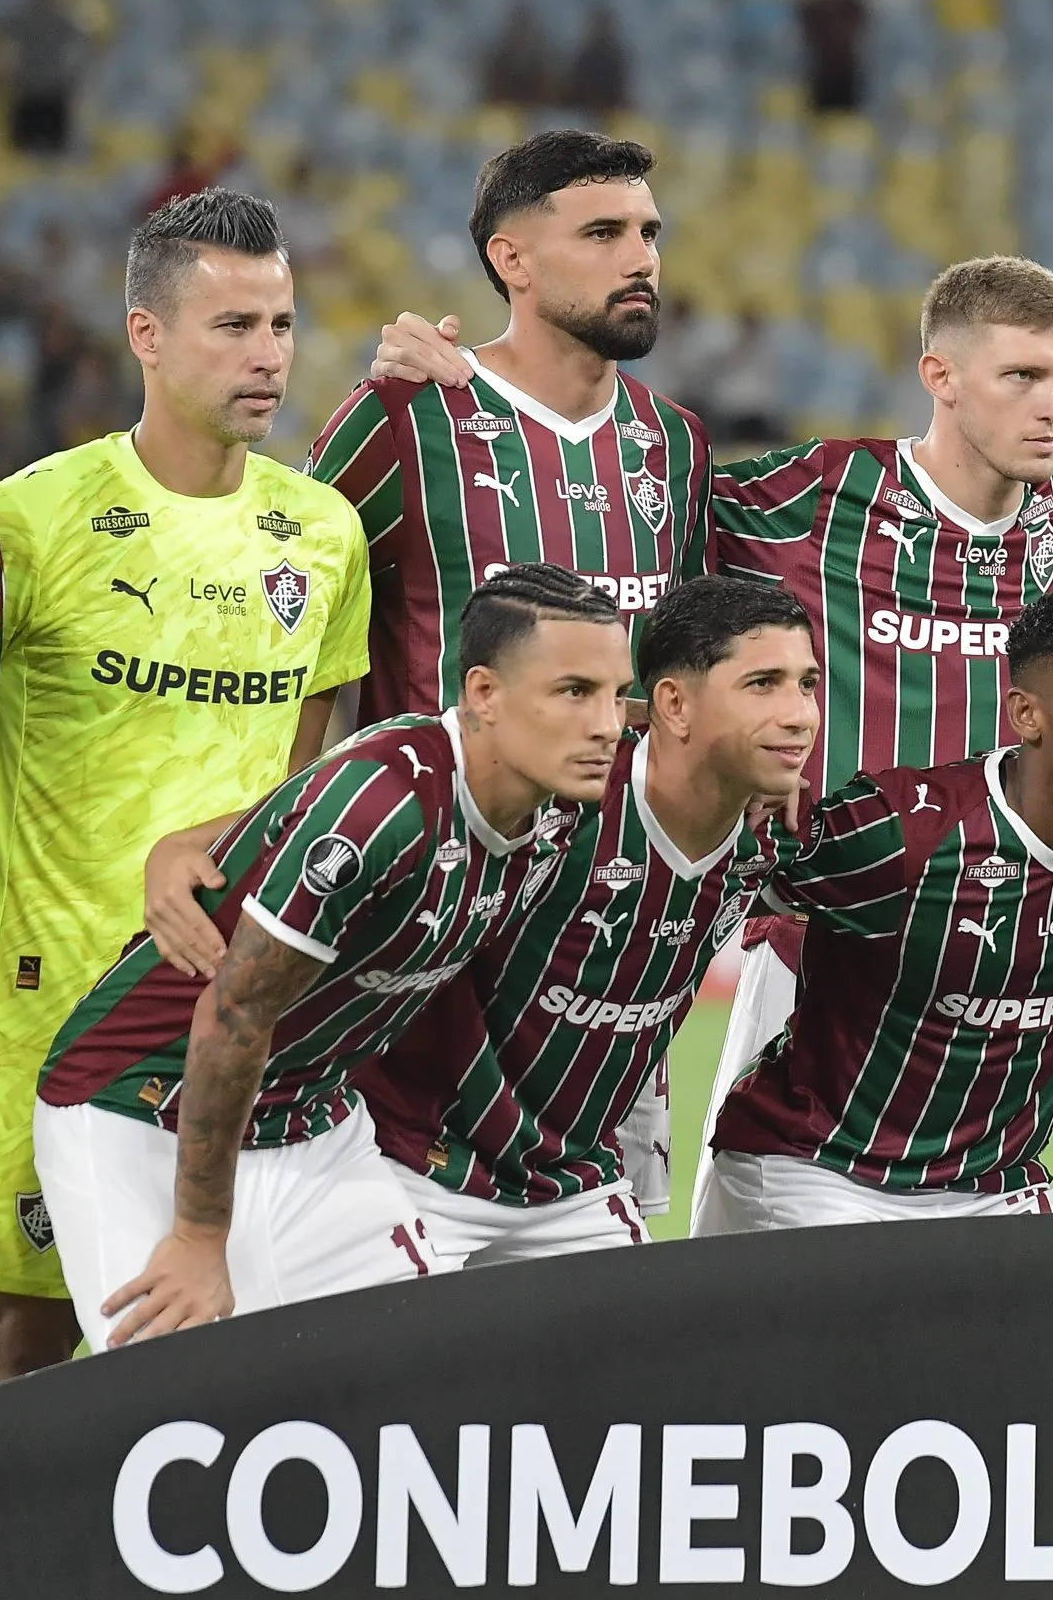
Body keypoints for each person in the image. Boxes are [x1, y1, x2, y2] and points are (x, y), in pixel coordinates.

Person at [368, 255, 1053, 1218]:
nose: (1052, 406)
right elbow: (628, 530)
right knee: (742, 1244)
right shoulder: (811, 499)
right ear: (940, 375)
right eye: (1021, 377)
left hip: (1005, 944)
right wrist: (448, 379)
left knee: (976, 1215)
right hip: (826, 935)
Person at [0, 189, 372, 1393]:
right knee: (26, 1338)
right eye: (233, 326)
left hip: (220, 1006)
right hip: (45, 1004)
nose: (268, 355)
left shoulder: (323, 534)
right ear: (146, 334)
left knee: (217, 1337)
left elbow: (297, 787)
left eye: (281, 325)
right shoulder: (26, 522)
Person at [32, 567, 622, 1345]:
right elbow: (233, 1014)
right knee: (170, 1387)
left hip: (310, 1114)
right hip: (142, 1101)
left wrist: (185, 841)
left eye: (619, 694)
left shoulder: (558, 805)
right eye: (575, 691)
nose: (608, 724)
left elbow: (301, 809)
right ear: (483, 692)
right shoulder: (387, 804)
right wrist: (201, 1237)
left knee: (416, 1367)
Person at [696, 586, 1053, 1231]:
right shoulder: (903, 832)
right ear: (1026, 714)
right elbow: (702, 861)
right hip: (821, 1171)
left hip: (996, 1184)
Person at [361, 575, 817, 1266]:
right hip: (420, 1164)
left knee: (648, 1338)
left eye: (806, 684)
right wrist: (192, 846)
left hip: (571, 1184)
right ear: (673, 704)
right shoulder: (558, 804)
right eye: (763, 684)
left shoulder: (777, 835)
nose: (800, 714)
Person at [307, 130, 709, 726]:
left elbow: (685, 659)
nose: (641, 261)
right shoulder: (403, 416)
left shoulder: (677, 440)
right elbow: (290, 619)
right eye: (603, 233)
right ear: (512, 260)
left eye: (648, 233)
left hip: (624, 791)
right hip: (440, 788)